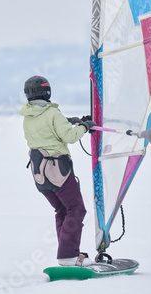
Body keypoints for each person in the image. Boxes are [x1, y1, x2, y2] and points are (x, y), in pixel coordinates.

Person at [20, 75, 96, 267]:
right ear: (47, 92)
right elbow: (69, 137)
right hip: (57, 171)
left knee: (62, 210)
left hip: (39, 174)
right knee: (76, 209)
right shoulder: (53, 114)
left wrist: (68, 120)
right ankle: (69, 255)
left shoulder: (28, 117)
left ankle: (67, 254)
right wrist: (86, 127)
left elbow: (46, 127)